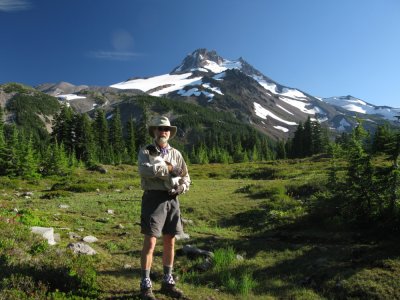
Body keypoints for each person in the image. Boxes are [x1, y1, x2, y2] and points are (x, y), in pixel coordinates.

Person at [138, 115, 190, 300]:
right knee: (150, 241)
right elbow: (144, 170)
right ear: (154, 131)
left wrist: (182, 187)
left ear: (170, 133)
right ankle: (145, 284)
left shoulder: (176, 153)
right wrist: (168, 169)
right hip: (153, 198)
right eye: (160, 129)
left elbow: (186, 177)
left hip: (173, 200)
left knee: (170, 241)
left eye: (166, 129)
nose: (163, 132)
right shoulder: (146, 151)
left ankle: (168, 281)